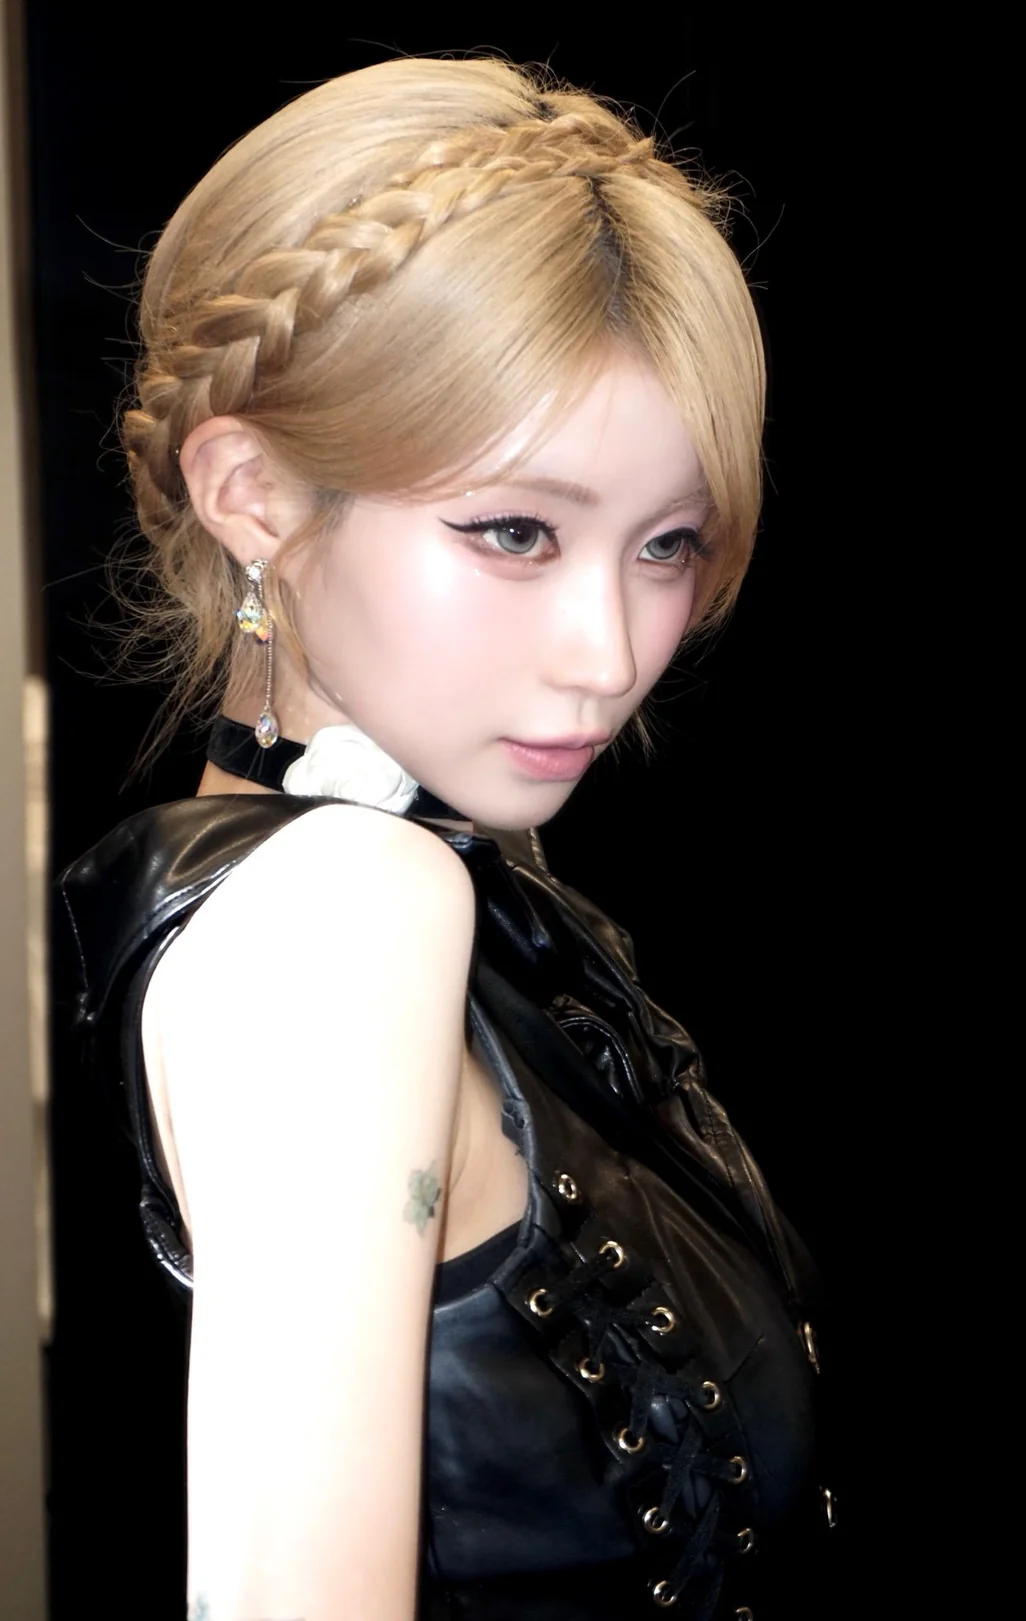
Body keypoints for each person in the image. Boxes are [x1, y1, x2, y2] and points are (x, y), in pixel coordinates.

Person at [56, 54, 831, 1621]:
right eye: (515, 532)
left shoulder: (413, 878)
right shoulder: (343, 914)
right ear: (253, 491)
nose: (612, 653)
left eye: (668, 544)